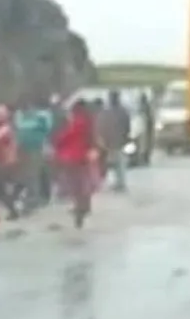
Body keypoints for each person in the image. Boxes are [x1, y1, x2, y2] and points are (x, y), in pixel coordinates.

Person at [52, 99, 94, 227]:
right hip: (83, 156)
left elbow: (66, 136)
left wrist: (57, 140)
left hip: (72, 157)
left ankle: (79, 207)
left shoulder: (77, 122)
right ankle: (84, 205)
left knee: (76, 184)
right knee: (83, 182)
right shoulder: (89, 121)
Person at [13, 96, 53, 213]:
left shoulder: (41, 116)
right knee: (27, 175)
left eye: (26, 105)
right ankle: (32, 198)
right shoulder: (19, 115)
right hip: (23, 148)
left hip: (36, 148)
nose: (25, 108)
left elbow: (46, 130)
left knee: (33, 175)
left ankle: (33, 199)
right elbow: (17, 130)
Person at [97, 90, 131, 192]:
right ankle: (119, 182)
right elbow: (127, 126)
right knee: (118, 163)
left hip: (114, 140)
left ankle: (119, 183)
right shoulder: (121, 111)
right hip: (116, 140)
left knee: (116, 163)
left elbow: (126, 126)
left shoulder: (108, 112)